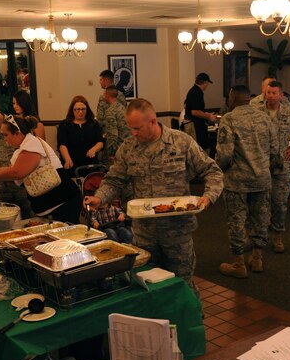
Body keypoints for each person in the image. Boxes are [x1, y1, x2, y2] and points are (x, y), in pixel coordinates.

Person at [83, 99, 223, 291]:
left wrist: (208, 196)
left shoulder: (181, 142)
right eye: (130, 128)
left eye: (137, 128)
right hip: (144, 234)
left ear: (152, 121)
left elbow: (212, 171)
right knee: (149, 287)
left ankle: (190, 321)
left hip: (177, 233)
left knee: (182, 286)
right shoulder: (128, 148)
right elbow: (114, 180)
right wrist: (99, 197)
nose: (133, 133)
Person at [216, 85, 278, 278]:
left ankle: (239, 264)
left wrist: (221, 168)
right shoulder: (264, 118)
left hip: (237, 181)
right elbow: (275, 150)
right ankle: (257, 258)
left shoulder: (229, 119)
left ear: (232, 99)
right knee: (260, 219)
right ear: (249, 99)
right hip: (262, 180)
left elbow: (224, 155)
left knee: (237, 221)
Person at [0, 115, 81, 223]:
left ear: (17, 133)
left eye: (6, 135)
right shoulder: (26, 145)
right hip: (53, 203)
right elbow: (14, 169)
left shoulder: (31, 144)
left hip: (63, 201)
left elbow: (17, 172)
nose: (5, 139)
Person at [256, 80, 290, 254]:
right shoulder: (256, 113)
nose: (271, 96)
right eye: (268, 93)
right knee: (260, 205)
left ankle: (277, 235)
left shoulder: (289, 114)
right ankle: (259, 237)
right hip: (260, 166)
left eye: (274, 93)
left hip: (281, 168)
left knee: (279, 204)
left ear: (281, 95)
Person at [57, 95, 104, 176]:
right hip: (71, 162)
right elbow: (62, 144)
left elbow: (100, 142)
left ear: (87, 110)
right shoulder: (65, 124)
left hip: (90, 164)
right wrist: (67, 159)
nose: (80, 112)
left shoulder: (93, 123)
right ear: (72, 110)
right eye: (77, 109)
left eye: (83, 109)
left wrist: (94, 149)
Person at [183, 72, 218, 151]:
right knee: (199, 149)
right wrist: (209, 116)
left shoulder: (194, 90)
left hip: (195, 124)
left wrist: (206, 114)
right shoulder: (197, 92)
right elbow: (194, 112)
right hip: (195, 126)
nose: (207, 86)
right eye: (207, 83)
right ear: (205, 82)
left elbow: (197, 109)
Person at [101, 86, 129, 160]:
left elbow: (112, 136)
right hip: (128, 146)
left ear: (107, 95)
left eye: (104, 94)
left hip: (118, 149)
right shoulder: (123, 108)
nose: (103, 96)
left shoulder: (110, 112)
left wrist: (110, 153)